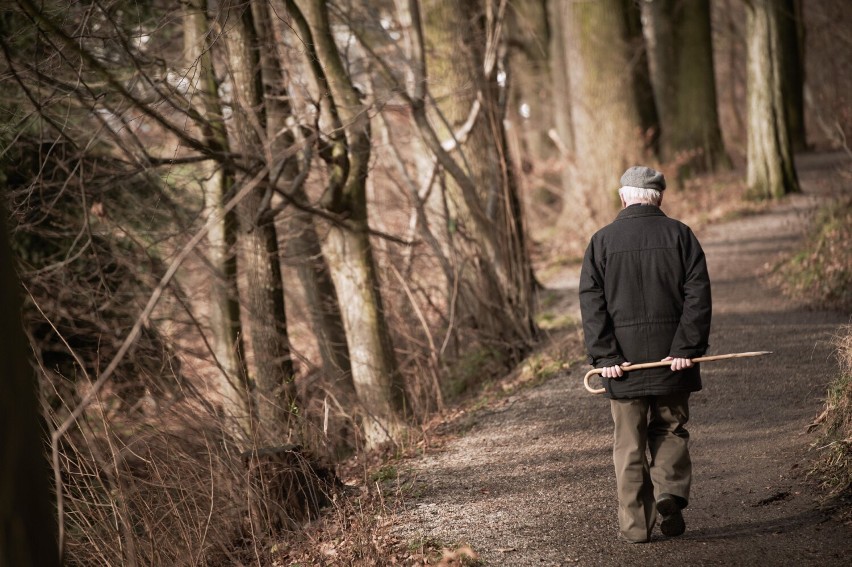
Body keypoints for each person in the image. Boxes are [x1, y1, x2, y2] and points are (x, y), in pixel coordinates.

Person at [579, 165, 712, 543]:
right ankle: (669, 492)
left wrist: (605, 357)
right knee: (670, 427)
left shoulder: (600, 242)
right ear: (660, 198)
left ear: (623, 197)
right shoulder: (681, 236)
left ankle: (637, 528)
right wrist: (686, 348)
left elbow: (592, 304)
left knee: (629, 445)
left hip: (622, 366)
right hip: (673, 362)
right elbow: (698, 297)